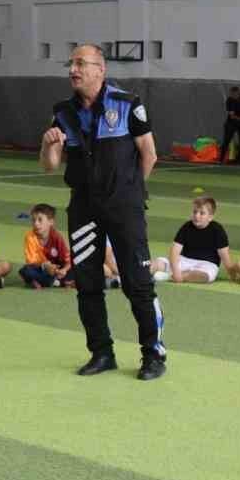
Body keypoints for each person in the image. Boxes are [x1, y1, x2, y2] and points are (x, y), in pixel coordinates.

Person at [39, 44, 166, 381]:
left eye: (81, 63)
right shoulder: (63, 112)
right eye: (71, 64)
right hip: (83, 209)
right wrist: (48, 145)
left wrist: (130, 194)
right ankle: (101, 353)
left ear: (100, 69)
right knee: (87, 283)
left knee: (138, 283)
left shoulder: (127, 104)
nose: (73, 70)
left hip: (125, 208)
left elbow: (149, 154)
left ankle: (153, 355)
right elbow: (50, 166)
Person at [152, 196, 232, 283]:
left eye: (202, 213)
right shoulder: (186, 227)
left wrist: (231, 273)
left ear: (210, 217)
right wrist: (175, 270)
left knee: (205, 276)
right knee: (158, 263)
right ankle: (144, 275)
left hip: (207, 264)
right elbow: (174, 251)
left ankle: (169, 276)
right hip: (184, 260)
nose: (197, 216)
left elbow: (224, 255)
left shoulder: (217, 230)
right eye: (195, 212)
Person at [19, 203, 73, 289]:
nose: (36, 223)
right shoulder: (30, 237)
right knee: (25, 271)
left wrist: (64, 270)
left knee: (76, 267)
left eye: (40, 220)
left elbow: (68, 260)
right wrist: (45, 266)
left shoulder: (57, 236)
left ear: (51, 222)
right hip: (41, 269)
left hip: (57, 270)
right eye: (33, 220)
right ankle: (59, 282)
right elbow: (31, 261)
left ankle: (46, 281)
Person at [220, 86, 240, 166]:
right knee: (226, 140)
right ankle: (221, 159)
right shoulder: (229, 100)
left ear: (238, 93)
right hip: (231, 123)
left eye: (236, 93)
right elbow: (232, 116)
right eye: (232, 94)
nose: (234, 95)